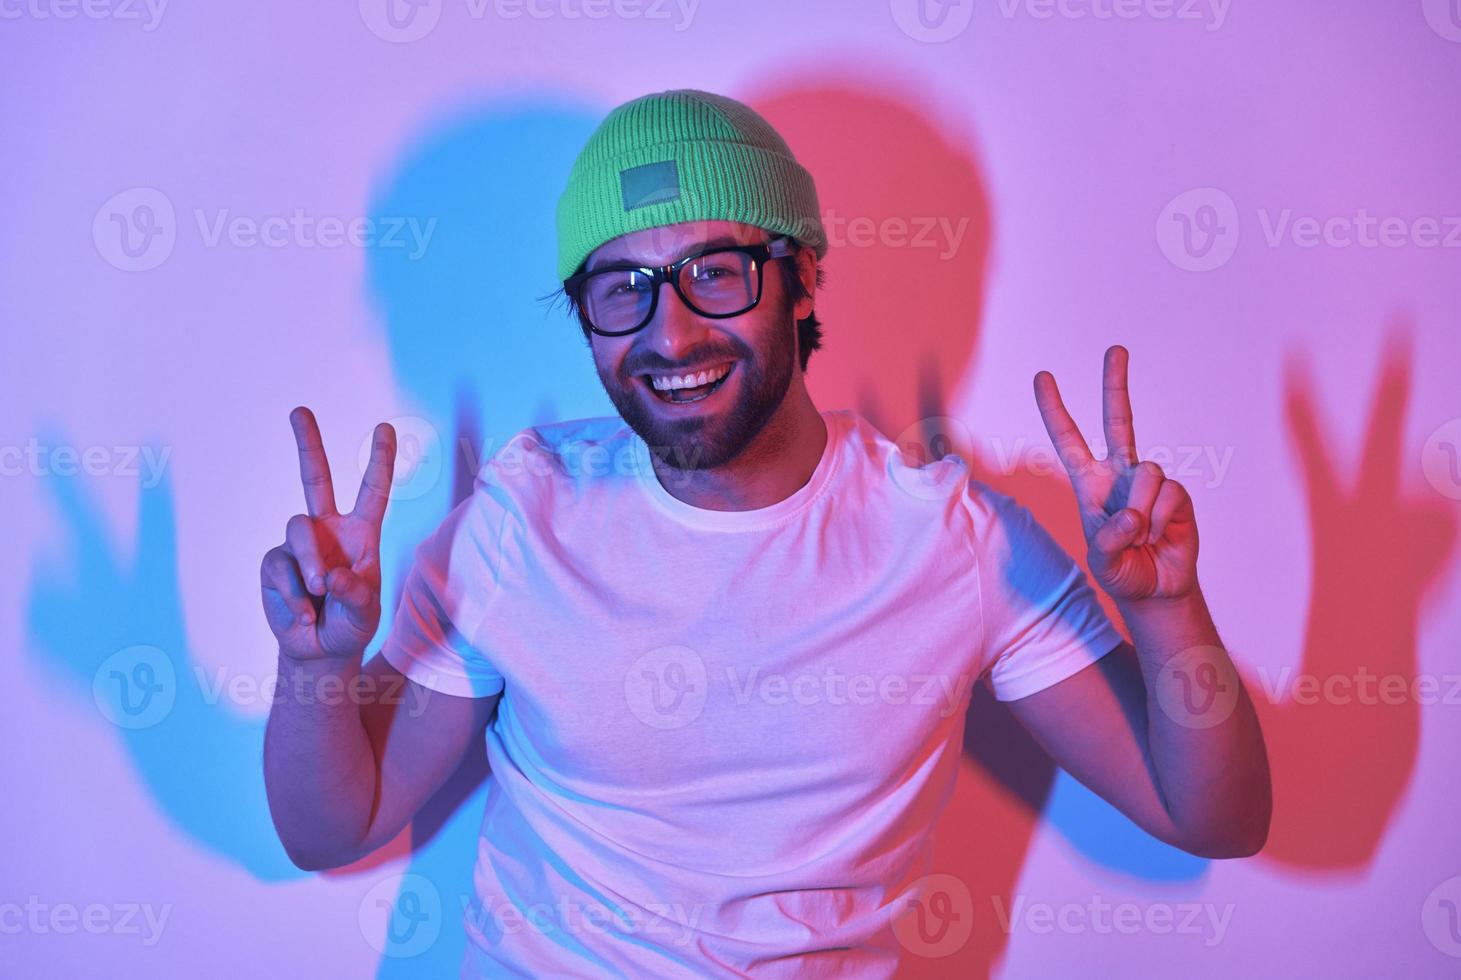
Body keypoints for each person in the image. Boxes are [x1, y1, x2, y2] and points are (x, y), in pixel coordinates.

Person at [260, 89, 1271, 977]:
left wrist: (1166, 609)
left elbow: (1214, 816)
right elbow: (328, 828)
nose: (669, 333)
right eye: (622, 289)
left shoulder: (952, 539)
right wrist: (316, 663)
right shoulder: (525, 516)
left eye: (714, 270)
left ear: (801, 275)